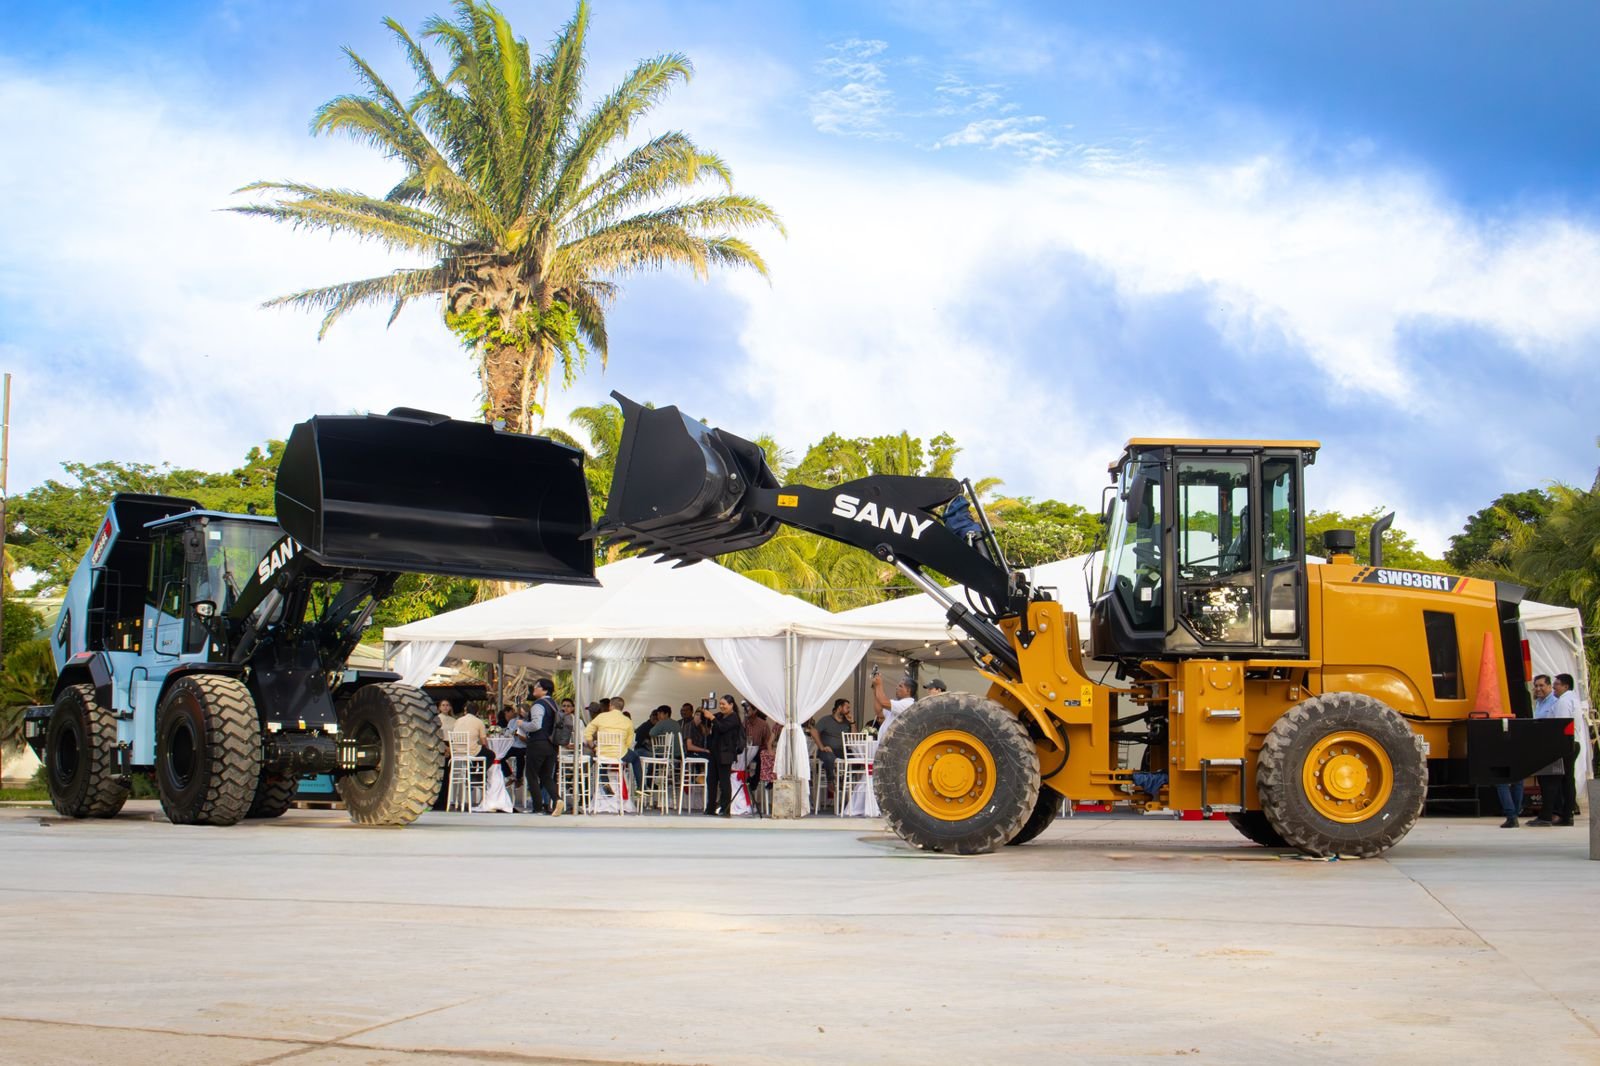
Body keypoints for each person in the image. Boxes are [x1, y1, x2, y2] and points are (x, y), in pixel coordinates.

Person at [1531, 673, 1581, 827]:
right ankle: (1567, 816)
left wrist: (1556, 748)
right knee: (1566, 781)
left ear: (1565, 686)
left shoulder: (1562, 702)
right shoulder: (1570, 699)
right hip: (1570, 744)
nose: (1554, 687)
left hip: (1563, 745)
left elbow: (1560, 726)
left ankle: (1549, 816)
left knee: (1552, 781)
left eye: (1557, 684)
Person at [516, 679, 562, 815]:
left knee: (531, 775)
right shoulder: (554, 705)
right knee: (546, 776)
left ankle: (537, 807)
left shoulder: (538, 704)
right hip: (552, 745)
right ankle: (557, 799)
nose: (534, 689)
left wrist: (521, 723)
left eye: (536, 687)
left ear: (544, 690)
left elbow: (536, 725)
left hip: (537, 744)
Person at [585, 697, 638, 797]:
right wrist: (622, 750)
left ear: (610, 706)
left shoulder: (601, 717)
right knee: (636, 759)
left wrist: (592, 746)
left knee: (602, 759)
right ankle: (640, 787)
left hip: (602, 752)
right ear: (622, 707)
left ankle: (605, 782)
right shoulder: (627, 721)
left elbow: (587, 732)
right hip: (619, 754)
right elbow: (629, 742)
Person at [808, 699, 853, 803]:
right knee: (829, 757)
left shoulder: (847, 722)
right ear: (839, 708)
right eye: (847, 707)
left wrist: (852, 722)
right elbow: (813, 731)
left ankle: (842, 780)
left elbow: (854, 737)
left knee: (856, 759)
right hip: (826, 750)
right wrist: (821, 746)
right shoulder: (826, 720)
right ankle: (831, 780)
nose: (849, 710)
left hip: (841, 751)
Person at [708, 694, 744, 817]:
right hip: (714, 752)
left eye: (724, 704)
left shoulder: (734, 718)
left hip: (726, 753)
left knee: (724, 782)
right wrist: (705, 713)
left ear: (731, 705)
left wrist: (712, 718)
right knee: (711, 780)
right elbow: (709, 721)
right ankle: (710, 807)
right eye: (720, 704)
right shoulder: (719, 715)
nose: (721, 706)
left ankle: (725, 809)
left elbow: (722, 728)